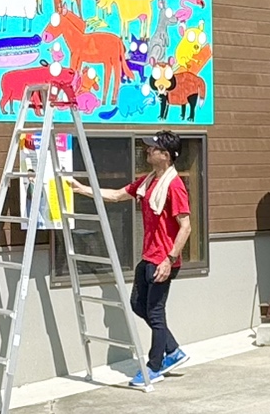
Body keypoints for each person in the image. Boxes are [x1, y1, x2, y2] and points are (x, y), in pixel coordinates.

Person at [70, 131, 191, 386]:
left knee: (155, 313)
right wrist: (81, 189)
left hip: (163, 261)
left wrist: (169, 260)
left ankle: (154, 367)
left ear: (166, 155)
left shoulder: (174, 186)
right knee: (138, 305)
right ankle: (173, 350)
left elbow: (186, 227)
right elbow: (116, 195)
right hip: (148, 256)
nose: (148, 150)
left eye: (153, 148)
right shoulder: (148, 182)